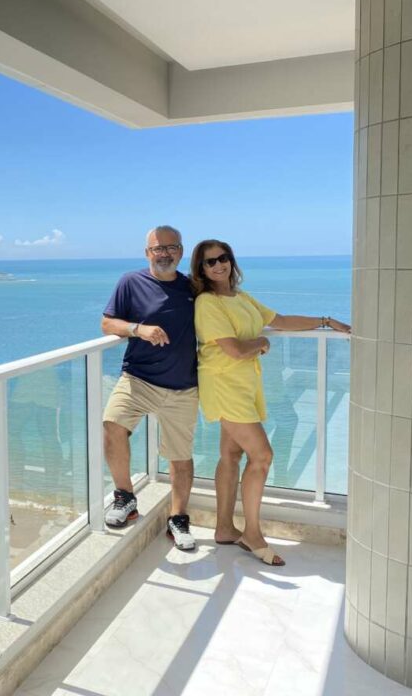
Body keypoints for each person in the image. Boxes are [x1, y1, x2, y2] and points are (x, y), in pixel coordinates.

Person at [190, 239, 350, 566]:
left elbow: (281, 320)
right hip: (224, 385)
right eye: (210, 262)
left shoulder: (241, 298)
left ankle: (224, 528)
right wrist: (261, 342)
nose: (219, 265)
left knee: (231, 454)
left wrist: (325, 320)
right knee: (262, 456)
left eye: (223, 258)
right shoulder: (207, 303)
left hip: (243, 384)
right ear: (201, 269)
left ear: (231, 261)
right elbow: (235, 349)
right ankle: (252, 532)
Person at [101, 226, 199, 550]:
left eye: (171, 247)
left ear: (180, 251)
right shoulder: (130, 282)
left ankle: (178, 519)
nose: (164, 253)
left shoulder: (193, 287)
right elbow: (107, 323)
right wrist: (137, 329)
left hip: (183, 386)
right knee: (112, 425)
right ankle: (125, 497)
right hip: (138, 379)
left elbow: (224, 314)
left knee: (180, 456)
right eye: (158, 248)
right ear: (147, 253)